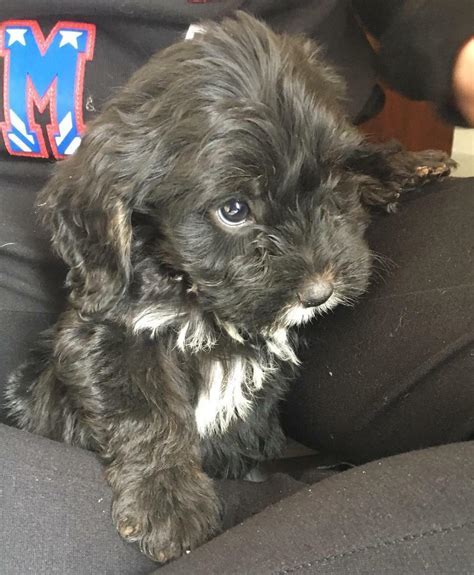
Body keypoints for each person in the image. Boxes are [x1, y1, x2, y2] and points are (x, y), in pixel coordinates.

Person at [0, 2, 472, 574]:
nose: (319, 281)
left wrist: (455, 43)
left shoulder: (307, 159)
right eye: (233, 209)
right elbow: (102, 341)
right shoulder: (118, 237)